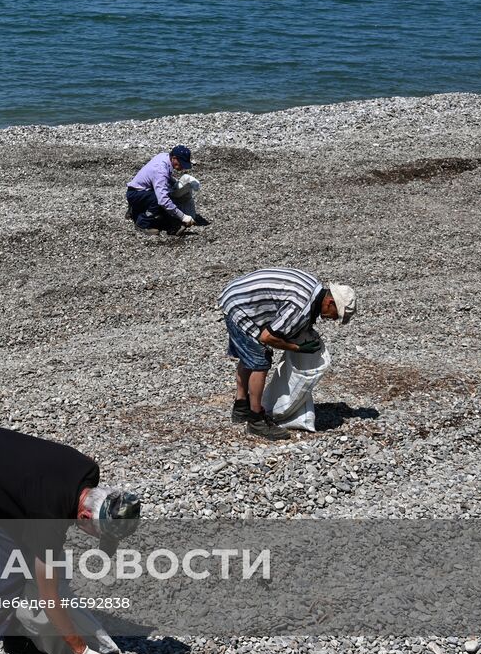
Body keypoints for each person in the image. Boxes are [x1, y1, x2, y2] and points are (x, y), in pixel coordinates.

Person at [0, 425, 141, 654]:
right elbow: (49, 598)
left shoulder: (89, 475)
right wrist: (83, 652)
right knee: (4, 579)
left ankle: (14, 635)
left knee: (27, 561)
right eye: (97, 531)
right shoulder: (49, 520)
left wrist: (107, 540)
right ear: (85, 518)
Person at [219, 268, 357, 440]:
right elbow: (267, 337)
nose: (333, 319)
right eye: (337, 315)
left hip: (237, 294)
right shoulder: (300, 307)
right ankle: (256, 420)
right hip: (239, 305)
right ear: (329, 302)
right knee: (260, 360)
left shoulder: (314, 287)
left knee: (248, 355)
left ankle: (241, 407)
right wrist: (296, 348)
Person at [126, 145, 208, 234]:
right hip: (135, 194)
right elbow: (163, 200)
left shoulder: (164, 157)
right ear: (174, 158)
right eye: (181, 163)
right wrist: (183, 216)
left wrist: (176, 183)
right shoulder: (160, 170)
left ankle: (136, 209)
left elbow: (164, 179)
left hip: (140, 190)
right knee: (159, 200)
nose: (182, 167)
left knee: (165, 198)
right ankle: (142, 223)